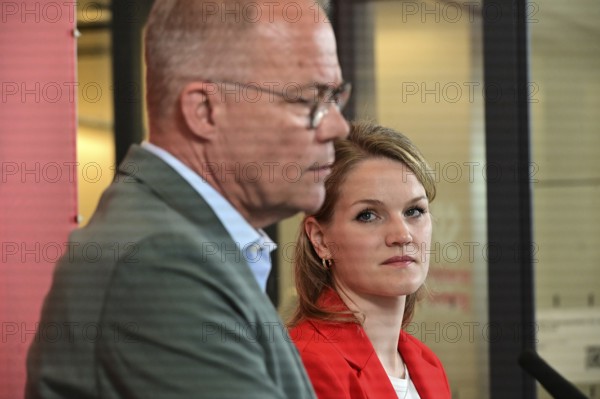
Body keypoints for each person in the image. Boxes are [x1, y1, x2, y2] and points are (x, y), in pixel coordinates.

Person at [26, 1, 350, 398]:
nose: (338, 126)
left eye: (336, 97)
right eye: (310, 100)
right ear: (205, 110)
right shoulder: (158, 263)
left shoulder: (180, 243)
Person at [288, 121, 451, 399]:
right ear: (320, 240)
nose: (402, 235)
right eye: (368, 215)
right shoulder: (306, 364)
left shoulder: (427, 363)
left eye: (414, 210)